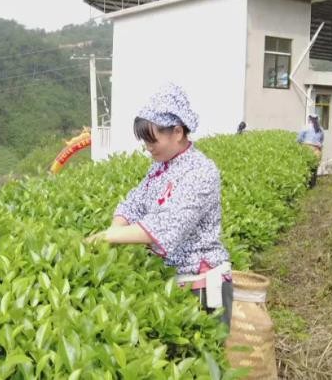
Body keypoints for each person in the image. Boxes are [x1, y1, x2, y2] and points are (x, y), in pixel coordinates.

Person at [86, 83, 233, 328]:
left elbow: (167, 225)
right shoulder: (161, 166)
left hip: (202, 288)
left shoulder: (200, 172)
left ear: (177, 132)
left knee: (206, 363)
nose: (148, 147)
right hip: (171, 282)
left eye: (153, 140)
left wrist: (106, 237)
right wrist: (115, 227)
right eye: (145, 141)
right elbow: (134, 202)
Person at [296, 114, 324, 188]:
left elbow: (321, 140)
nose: (314, 120)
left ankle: (312, 185)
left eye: (315, 119)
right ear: (310, 119)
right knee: (306, 166)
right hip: (307, 148)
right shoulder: (305, 128)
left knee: (314, 167)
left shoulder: (320, 129)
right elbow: (299, 139)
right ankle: (306, 184)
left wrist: (319, 146)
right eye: (313, 119)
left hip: (316, 150)